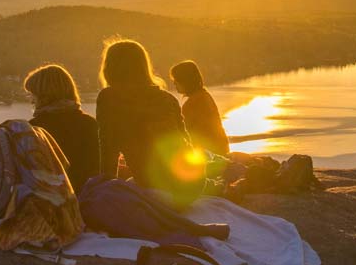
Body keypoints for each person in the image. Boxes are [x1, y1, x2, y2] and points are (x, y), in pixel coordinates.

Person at [95, 39, 198, 201]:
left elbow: (108, 149)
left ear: (109, 68)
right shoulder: (168, 99)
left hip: (158, 187)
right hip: (192, 185)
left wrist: (105, 193)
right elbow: (187, 144)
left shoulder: (109, 98)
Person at [24, 63, 99, 191]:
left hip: (51, 203)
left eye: (33, 95)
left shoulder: (35, 129)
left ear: (44, 95)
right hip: (89, 199)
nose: (31, 101)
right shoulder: (90, 124)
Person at [170, 60, 230, 158]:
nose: (174, 83)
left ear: (185, 80)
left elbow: (184, 132)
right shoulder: (204, 96)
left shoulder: (193, 103)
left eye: (176, 80)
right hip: (220, 149)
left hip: (209, 153)